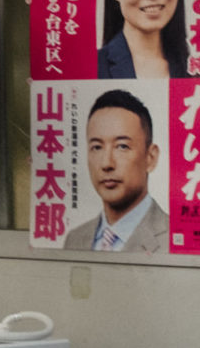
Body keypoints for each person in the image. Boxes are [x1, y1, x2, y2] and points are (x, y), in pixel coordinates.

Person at [64, 89, 168, 253]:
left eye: (122, 146)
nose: (106, 163)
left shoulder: (172, 238)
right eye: (96, 147)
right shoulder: (75, 239)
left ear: (150, 157)